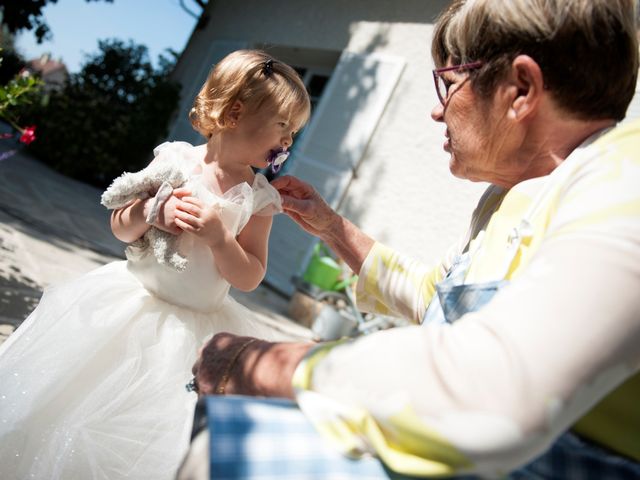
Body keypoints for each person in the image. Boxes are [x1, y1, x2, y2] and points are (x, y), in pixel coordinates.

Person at [181, 1, 640, 478]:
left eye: (449, 81)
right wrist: (332, 227)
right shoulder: (503, 200)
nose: (437, 109)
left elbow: (489, 387)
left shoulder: (627, 174)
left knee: (224, 453)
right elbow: (434, 299)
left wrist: (265, 364)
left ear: (519, 89)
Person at [0, 49, 311, 480]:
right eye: (283, 126)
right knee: (80, 406)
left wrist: (221, 239)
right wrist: (152, 213)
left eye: (294, 131)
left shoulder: (259, 197)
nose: (288, 141)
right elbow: (119, 226)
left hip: (198, 330)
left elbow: (251, 275)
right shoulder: (176, 160)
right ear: (236, 111)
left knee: (159, 433)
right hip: (130, 306)